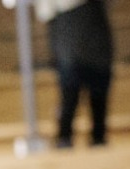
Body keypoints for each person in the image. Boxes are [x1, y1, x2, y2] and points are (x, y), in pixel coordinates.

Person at [39, 0, 114, 148]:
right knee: (70, 95)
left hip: (94, 39)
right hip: (69, 37)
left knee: (97, 95)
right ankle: (65, 138)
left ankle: (96, 137)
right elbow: (46, 14)